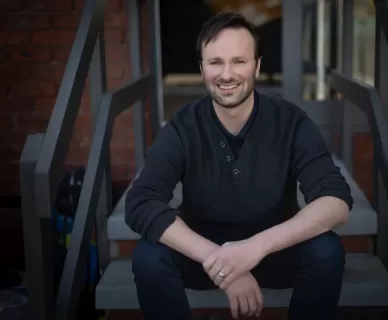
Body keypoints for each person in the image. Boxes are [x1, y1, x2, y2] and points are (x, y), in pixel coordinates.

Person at [125, 12, 353, 320]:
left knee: (327, 252)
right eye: (215, 62)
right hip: (201, 254)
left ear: (257, 66)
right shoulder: (182, 126)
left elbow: (335, 201)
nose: (227, 74)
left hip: (274, 253)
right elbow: (141, 202)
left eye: (239, 61)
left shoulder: (291, 122)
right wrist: (222, 263)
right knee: (148, 257)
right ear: (202, 68)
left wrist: (255, 247)